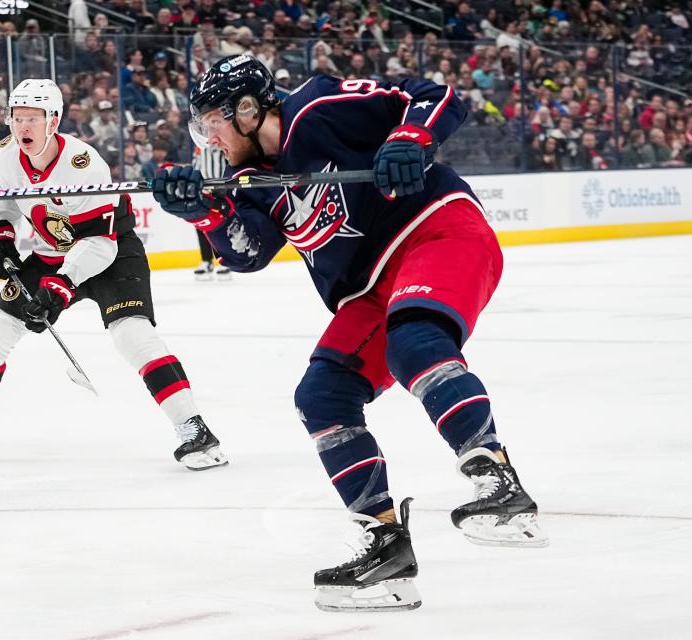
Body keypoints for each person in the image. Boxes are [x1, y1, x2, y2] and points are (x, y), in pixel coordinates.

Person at [151, 56, 547, 612]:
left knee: (413, 343)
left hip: (435, 231)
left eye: (212, 120)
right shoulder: (250, 181)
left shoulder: (317, 107)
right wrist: (204, 214)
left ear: (246, 110)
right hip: (367, 287)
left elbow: (434, 93)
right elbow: (249, 253)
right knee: (323, 396)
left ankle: (499, 484)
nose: (207, 136)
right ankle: (386, 546)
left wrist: (410, 139)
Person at [0, 79, 227, 472]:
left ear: (54, 121)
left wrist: (62, 286)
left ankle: (195, 429)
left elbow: (99, 244)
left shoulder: (84, 165)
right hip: (53, 253)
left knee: (133, 336)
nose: (23, 128)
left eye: (33, 118)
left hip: (111, 250)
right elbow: (9, 204)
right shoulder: (6, 157)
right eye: (17, 119)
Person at [191, 145, 230, 281]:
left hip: (220, 188)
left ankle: (225, 260)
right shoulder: (198, 145)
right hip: (201, 189)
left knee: (220, 225)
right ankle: (207, 261)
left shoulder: (220, 140)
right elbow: (196, 163)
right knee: (201, 226)